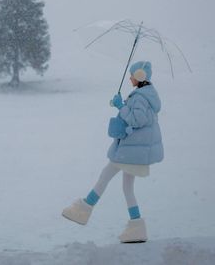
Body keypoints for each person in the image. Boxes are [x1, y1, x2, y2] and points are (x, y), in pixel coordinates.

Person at [61, 60, 163, 243]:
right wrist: (124, 104)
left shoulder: (140, 97)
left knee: (105, 176)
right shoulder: (145, 95)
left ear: (139, 76)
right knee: (126, 187)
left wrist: (120, 106)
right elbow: (140, 117)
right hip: (134, 150)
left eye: (132, 75)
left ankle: (82, 210)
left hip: (131, 150)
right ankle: (137, 228)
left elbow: (137, 119)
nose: (130, 78)